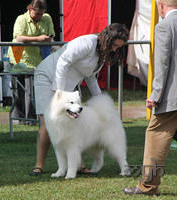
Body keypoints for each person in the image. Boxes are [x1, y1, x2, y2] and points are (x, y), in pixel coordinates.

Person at [30, 23, 129, 176]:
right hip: (48, 76)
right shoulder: (85, 43)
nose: (115, 49)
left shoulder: (101, 54)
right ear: (107, 38)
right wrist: (60, 93)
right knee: (47, 122)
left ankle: (77, 165)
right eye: (114, 45)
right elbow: (63, 62)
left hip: (67, 83)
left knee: (75, 124)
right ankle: (39, 165)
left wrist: (101, 102)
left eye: (118, 47)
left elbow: (90, 76)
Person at [123, 0, 177, 195]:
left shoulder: (164, 26)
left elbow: (162, 65)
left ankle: (148, 186)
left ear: (161, 6)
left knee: (155, 137)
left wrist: (155, 94)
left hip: (172, 98)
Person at [8, 0, 55, 124]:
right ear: (30, 9)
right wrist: (39, 39)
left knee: (32, 90)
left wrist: (48, 40)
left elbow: (51, 37)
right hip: (18, 58)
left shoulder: (47, 18)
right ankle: (19, 118)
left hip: (37, 60)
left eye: (41, 14)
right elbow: (19, 37)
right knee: (18, 90)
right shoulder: (21, 19)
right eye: (37, 13)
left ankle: (31, 119)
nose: (39, 16)